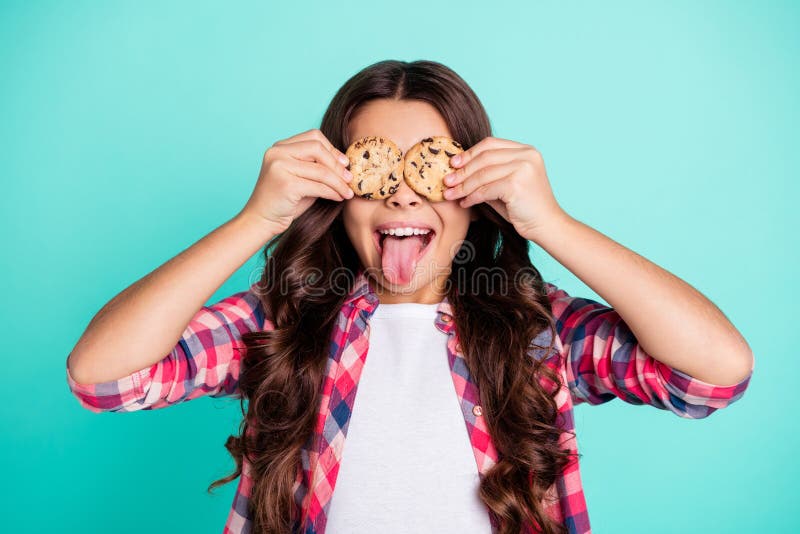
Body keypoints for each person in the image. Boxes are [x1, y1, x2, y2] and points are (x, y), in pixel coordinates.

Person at [65, 59, 755, 534]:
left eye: (432, 165)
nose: (400, 190)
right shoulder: (284, 320)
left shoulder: (536, 329)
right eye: (376, 168)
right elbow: (102, 377)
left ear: (474, 189)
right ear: (338, 186)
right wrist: (258, 220)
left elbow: (714, 375)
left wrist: (553, 224)